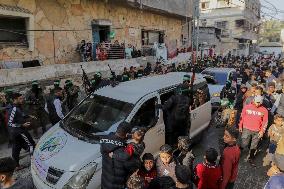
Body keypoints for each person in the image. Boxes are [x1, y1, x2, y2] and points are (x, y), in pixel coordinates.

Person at [6, 93, 36, 169]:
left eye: (22, 98)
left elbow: (20, 115)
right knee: (31, 145)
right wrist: (22, 125)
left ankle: (17, 166)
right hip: (19, 131)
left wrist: (29, 116)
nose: (22, 100)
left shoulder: (17, 107)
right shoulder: (14, 108)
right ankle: (35, 162)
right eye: (20, 99)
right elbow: (10, 123)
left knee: (16, 148)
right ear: (14, 100)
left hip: (15, 133)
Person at [100, 122, 132, 189]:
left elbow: (116, 140)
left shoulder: (105, 140)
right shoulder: (122, 151)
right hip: (116, 185)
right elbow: (131, 167)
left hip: (105, 182)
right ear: (127, 134)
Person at [239, 95, 268, 165]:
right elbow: (241, 117)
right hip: (246, 128)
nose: (258, 104)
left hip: (257, 130)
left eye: (260, 103)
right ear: (254, 100)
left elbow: (265, 122)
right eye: (257, 102)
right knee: (244, 143)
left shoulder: (264, 110)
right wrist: (240, 126)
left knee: (254, 146)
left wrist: (262, 131)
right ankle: (237, 153)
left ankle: (251, 158)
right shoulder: (247, 107)